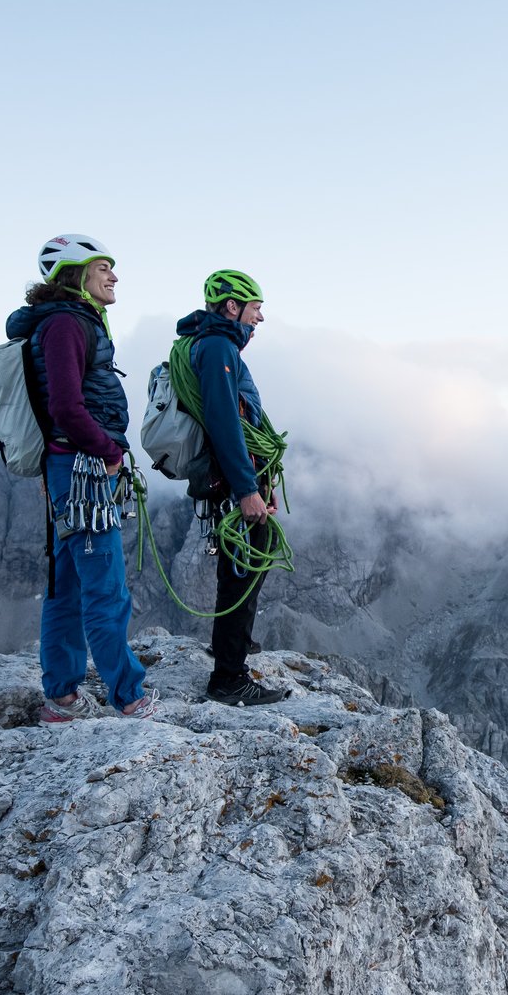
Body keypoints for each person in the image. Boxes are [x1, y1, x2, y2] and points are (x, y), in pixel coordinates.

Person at [6, 234, 156, 723]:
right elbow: (66, 406)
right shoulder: (69, 323)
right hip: (83, 468)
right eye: (103, 268)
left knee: (66, 581)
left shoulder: (61, 322)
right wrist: (109, 449)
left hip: (66, 467)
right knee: (104, 585)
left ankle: (62, 696)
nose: (113, 276)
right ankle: (130, 697)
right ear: (76, 274)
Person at [177, 269, 289, 707]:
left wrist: (262, 481)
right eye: (256, 307)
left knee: (243, 567)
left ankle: (234, 647)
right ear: (232, 307)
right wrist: (247, 488)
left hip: (236, 477)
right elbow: (225, 422)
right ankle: (229, 676)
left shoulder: (210, 344)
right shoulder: (220, 347)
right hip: (233, 481)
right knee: (243, 569)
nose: (259, 318)